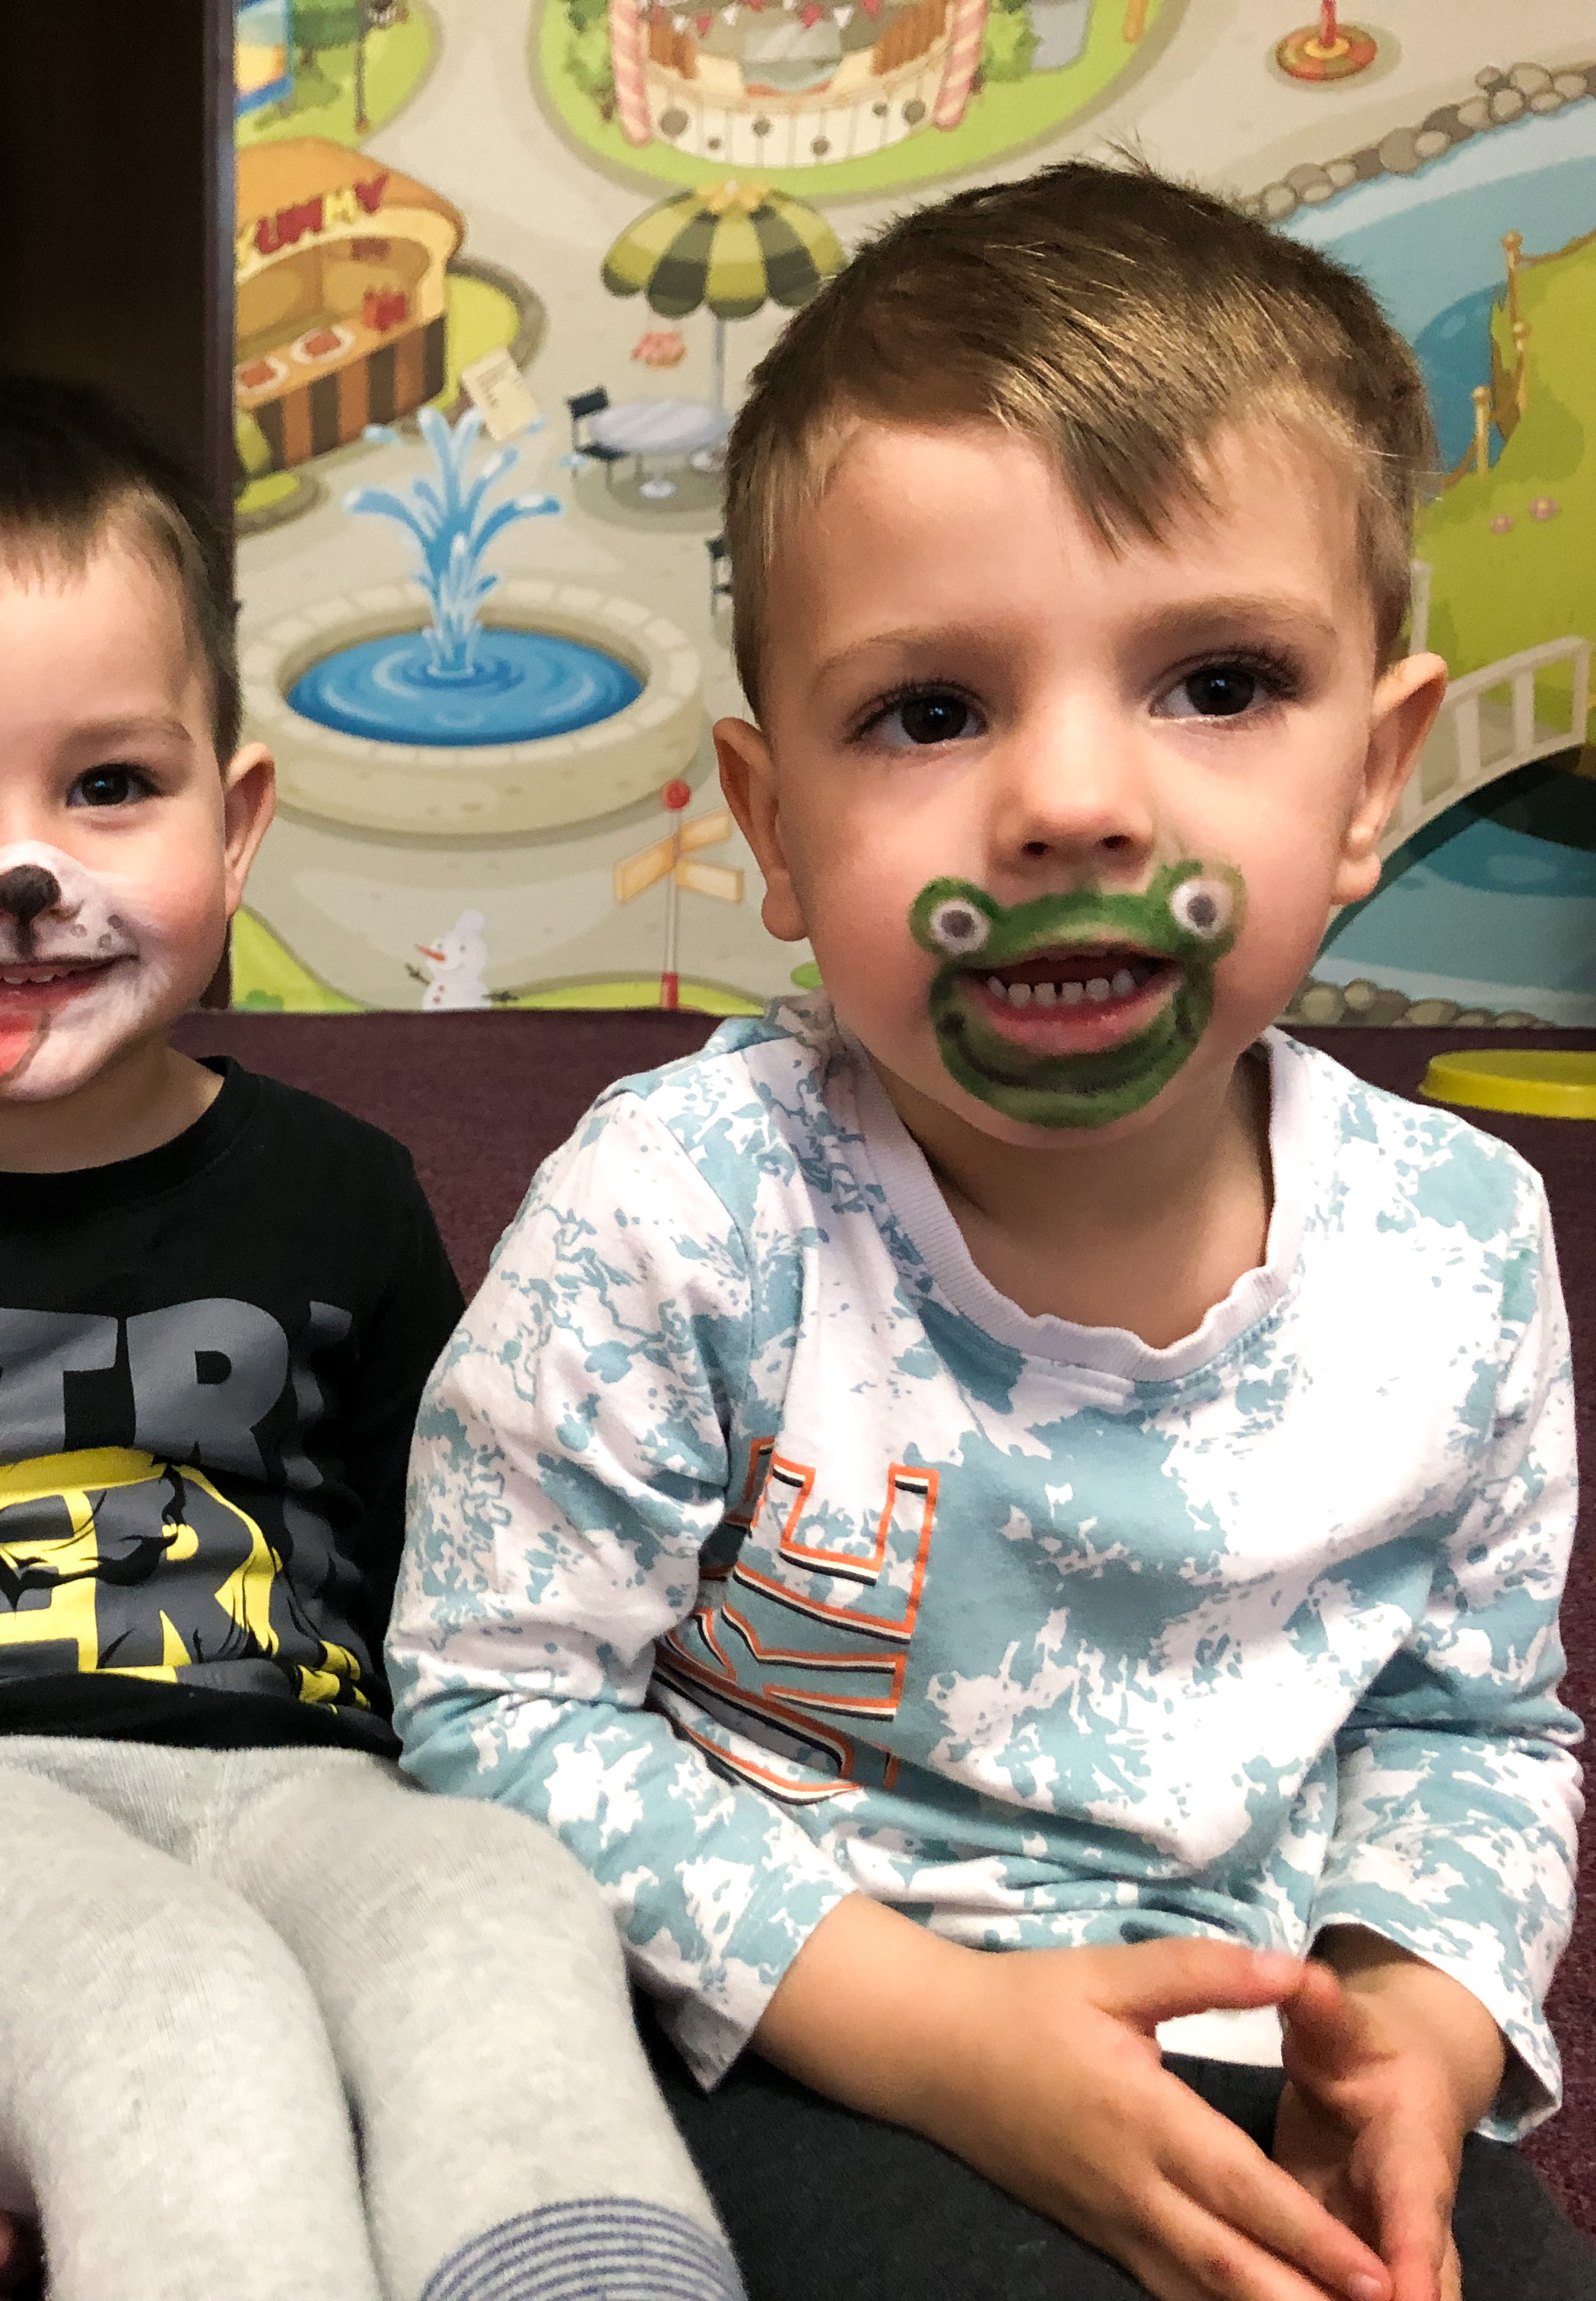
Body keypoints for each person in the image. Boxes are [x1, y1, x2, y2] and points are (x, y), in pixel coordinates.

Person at [390, 161, 1594, 2301]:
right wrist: (940, 2038)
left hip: (1245, 2026)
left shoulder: (1462, 1245)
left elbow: (1471, 1725)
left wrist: (1413, 2022)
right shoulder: (683, 1209)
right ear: (776, 826)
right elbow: (498, 1707)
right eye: (930, 712)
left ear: (1373, 778)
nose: (1070, 802)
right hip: (787, 2017)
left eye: (1218, 681)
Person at [0, 369, 740, 2301]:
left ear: (234, 819)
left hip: (301, 1780)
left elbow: (469, 1612)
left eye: (110, 785)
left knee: (501, 1905)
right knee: (182, 2004)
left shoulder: (345, 1194)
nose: (25, 881)